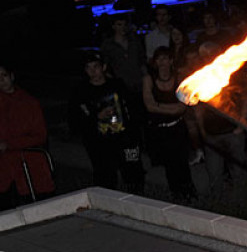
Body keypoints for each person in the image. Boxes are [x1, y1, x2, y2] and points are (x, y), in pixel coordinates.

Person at [69, 52, 144, 194]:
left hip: (124, 139)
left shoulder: (117, 85)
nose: (93, 71)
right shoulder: (81, 91)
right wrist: (96, 116)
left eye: (96, 66)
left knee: (133, 175)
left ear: (103, 67)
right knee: (105, 178)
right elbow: (75, 120)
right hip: (99, 143)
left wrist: (135, 135)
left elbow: (133, 109)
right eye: (89, 68)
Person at [142, 47, 196, 200]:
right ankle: (177, 196)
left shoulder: (180, 78)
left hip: (178, 128)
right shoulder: (149, 79)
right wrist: (168, 108)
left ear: (171, 60)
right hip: (159, 131)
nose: (162, 62)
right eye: (159, 59)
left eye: (165, 58)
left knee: (182, 164)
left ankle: (190, 196)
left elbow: (182, 107)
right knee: (169, 166)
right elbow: (149, 105)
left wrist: (159, 107)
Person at [0, 62, 54, 208]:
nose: (1, 80)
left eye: (4, 75)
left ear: (11, 76)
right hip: (5, 169)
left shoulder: (29, 102)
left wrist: (10, 144)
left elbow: (40, 135)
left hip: (29, 164)